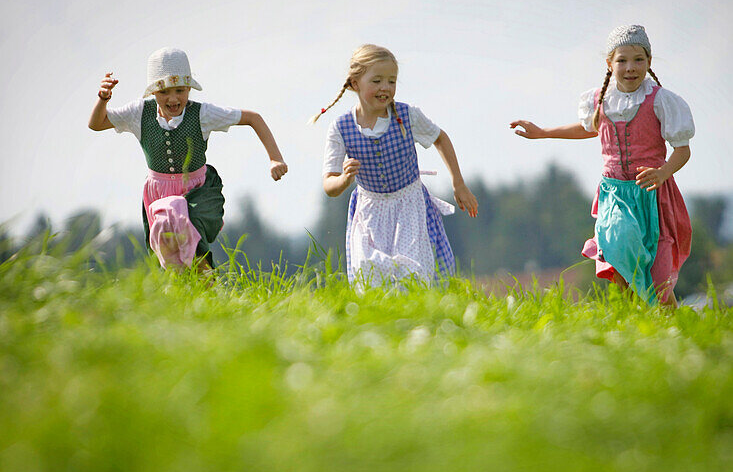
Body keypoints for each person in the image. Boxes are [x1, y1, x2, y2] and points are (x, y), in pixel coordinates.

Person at [510, 25, 693, 305]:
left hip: (653, 196)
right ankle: (631, 316)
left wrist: (663, 172)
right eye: (622, 60)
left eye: (638, 60)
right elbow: (588, 128)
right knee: (619, 246)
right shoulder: (600, 100)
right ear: (610, 63)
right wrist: (543, 132)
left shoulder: (661, 101)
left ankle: (670, 326)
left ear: (649, 62)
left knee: (658, 279)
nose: (630, 67)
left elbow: (682, 150)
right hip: (616, 194)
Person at [88, 47, 288, 269]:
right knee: (170, 256)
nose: (173, 99)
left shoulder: (202, 114)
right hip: (158, 193)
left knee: (191, 239)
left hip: (198, 190)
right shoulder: (139, 113)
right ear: (153, 92)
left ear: (189, 89)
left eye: (180, 91)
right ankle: (190, 293)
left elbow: (253, 118)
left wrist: (275, 158)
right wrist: (103, 99)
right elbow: (97, 124)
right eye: (164, 92)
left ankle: (208, 287)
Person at [311, 44, 478, 285]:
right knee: (369, 274)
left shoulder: (406, 115)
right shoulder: (341, 128)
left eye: (391, 81)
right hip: (370, 211)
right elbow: (329, 184)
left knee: (412, 272)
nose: (385, 88)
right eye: (376, 81)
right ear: (355, 83)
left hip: (409, 206)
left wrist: (458, 184)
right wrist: (344, 179)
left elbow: (440, 138)